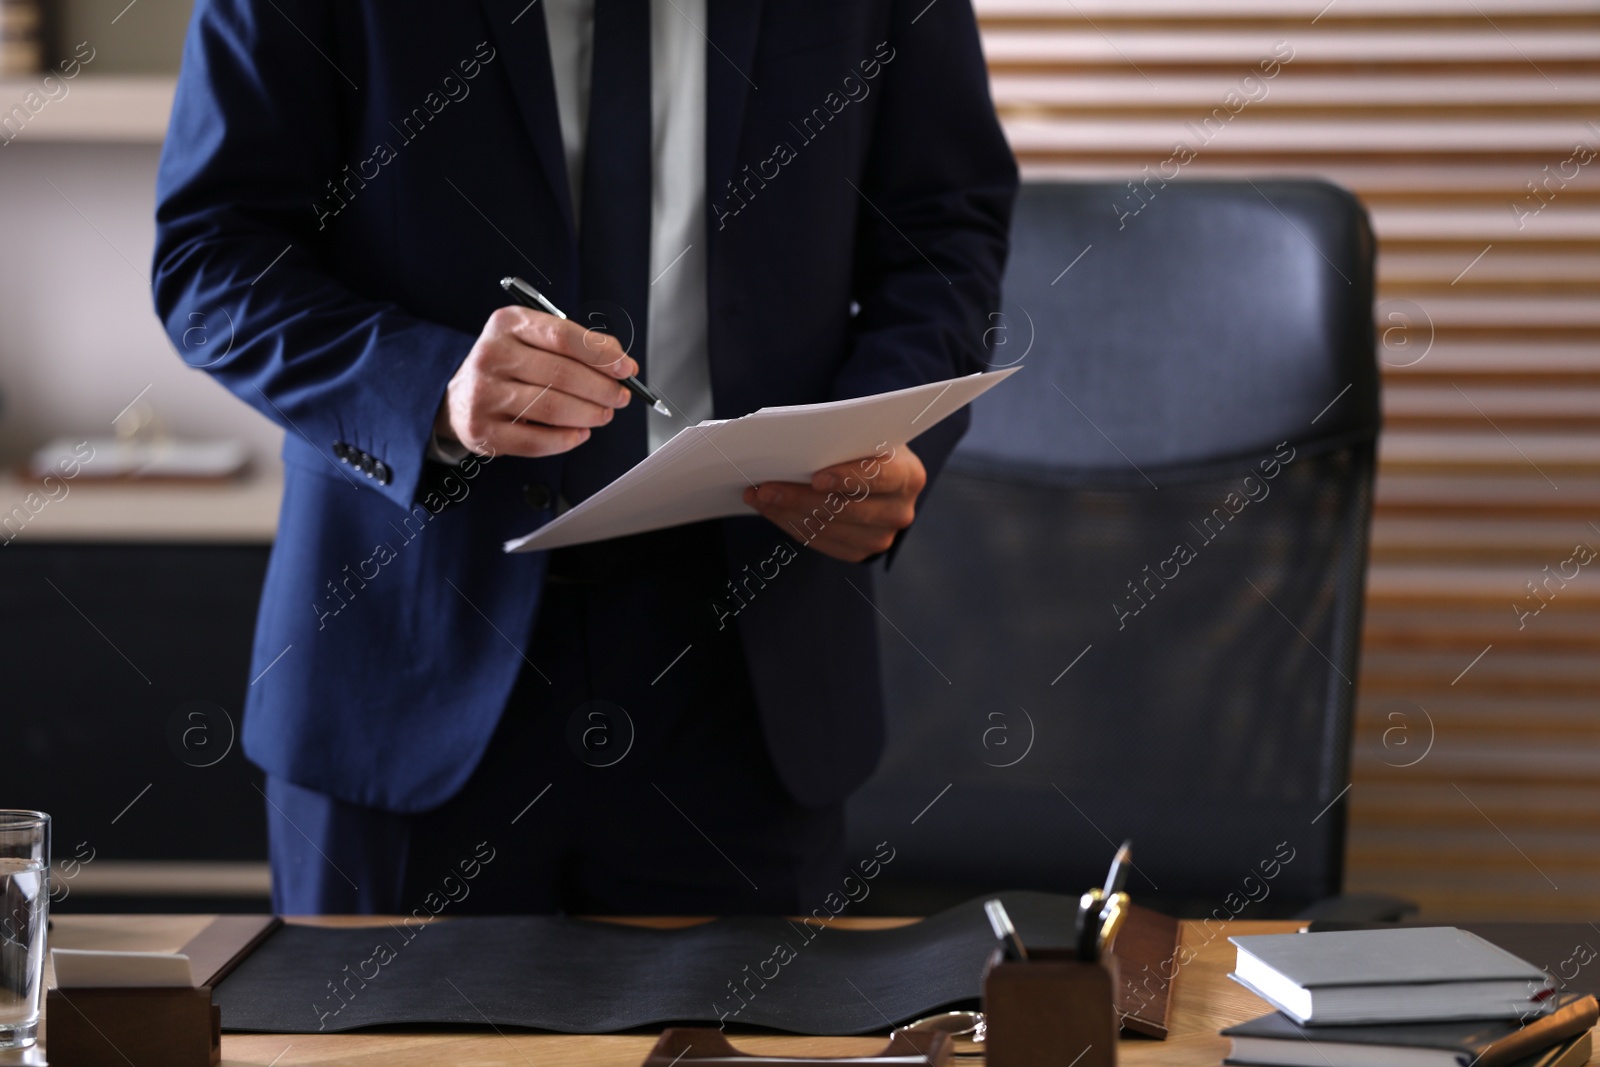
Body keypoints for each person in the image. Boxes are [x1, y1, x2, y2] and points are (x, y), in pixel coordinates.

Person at [152, 0, 1016, 915]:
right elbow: (211, 260)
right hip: (404, 652)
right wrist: (429, 392)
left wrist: (886, 432)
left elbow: (943, 228)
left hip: (749, 670)